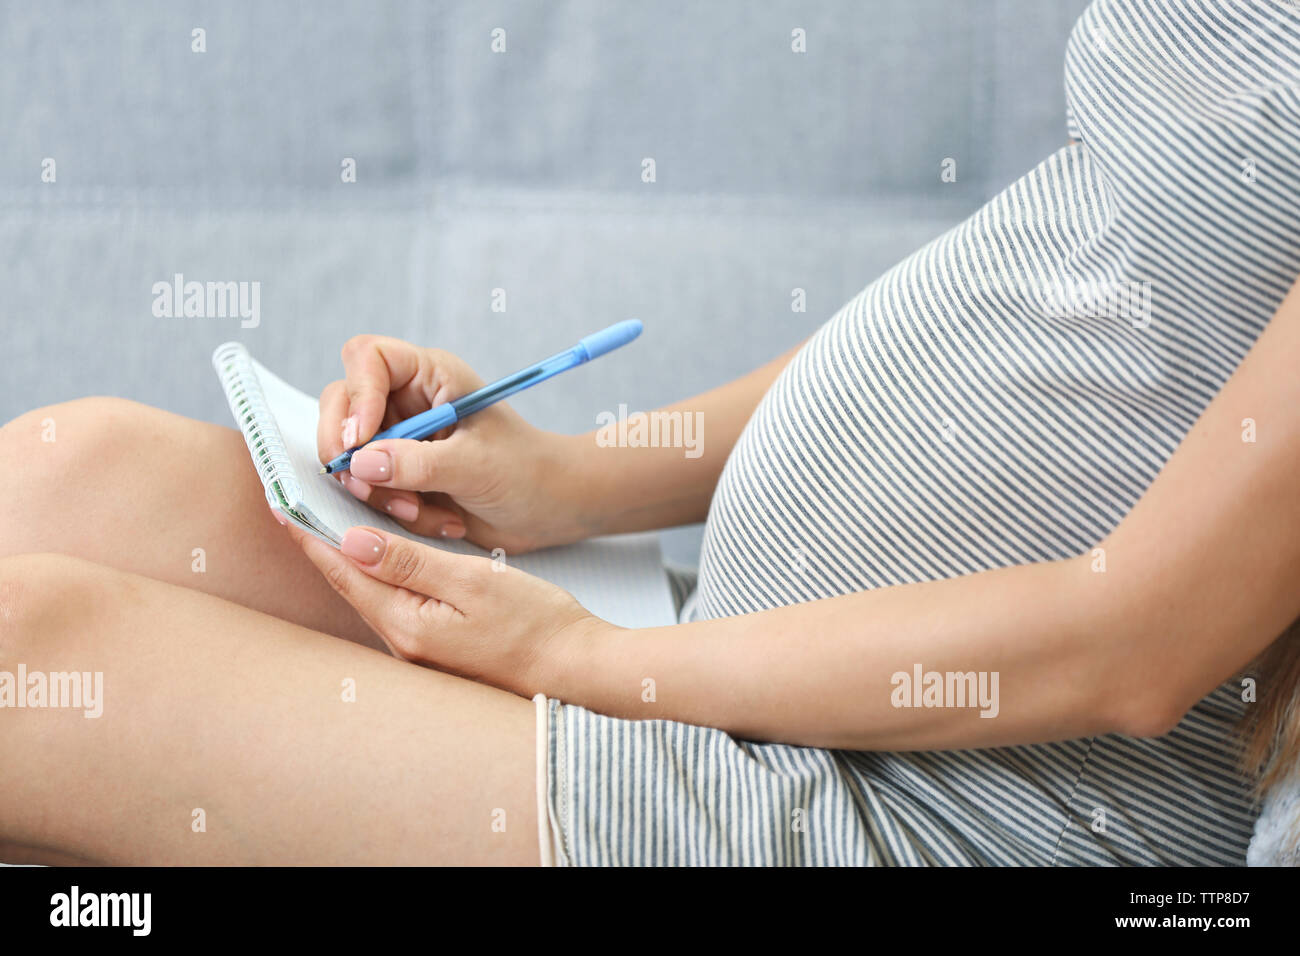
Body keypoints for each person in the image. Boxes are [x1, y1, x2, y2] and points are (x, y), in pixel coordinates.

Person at [2, 0, 1297, 865]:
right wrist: (567, 481)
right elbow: (1059, 274)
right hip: (723, 657)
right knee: (76, 477)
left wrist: (585, 664)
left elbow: (1133, 647)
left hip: (935, 807)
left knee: (32, 663)